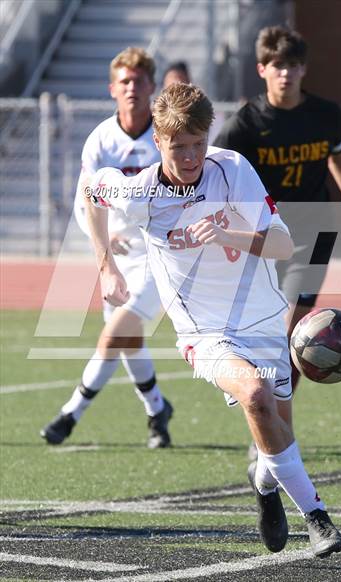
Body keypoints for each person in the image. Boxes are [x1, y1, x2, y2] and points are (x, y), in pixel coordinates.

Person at [83, 82, 341, 558]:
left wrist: (231, 231)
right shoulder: (139, 191)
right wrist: (107, 265)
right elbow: (90, 190)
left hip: (263, 320)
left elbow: (284, 245)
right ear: (157, 142)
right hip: (203, 334)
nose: (190, 156)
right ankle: (319, 519)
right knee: (255, 394)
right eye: (178, 146)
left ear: (210, 136)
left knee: (276, 428)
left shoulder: (233, 170)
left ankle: (265, 484)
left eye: (198, 143)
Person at [214, 26, 341, 395]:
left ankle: (276, 419)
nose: (285, 73)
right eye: (277, 65)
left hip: (314, 233)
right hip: (263, 235)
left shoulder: (325, 114)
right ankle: (265, 415)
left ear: (304, 69)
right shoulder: (244, 125)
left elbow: (340, 159)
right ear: (262, 70)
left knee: (299, 334)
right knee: (268, 333)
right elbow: (215, 174)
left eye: (293, 65)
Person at [40, 47, 173, 449]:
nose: (132, 88)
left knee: (114, 334)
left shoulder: (166, 134)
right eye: (125, 82)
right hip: (116, 257)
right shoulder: (100, 138)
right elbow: (86, 200)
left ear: (152, 86)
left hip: (158, 256)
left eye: (139, 81)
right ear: (112, 88)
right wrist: (105, 253)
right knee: (129, 340)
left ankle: (71, 413)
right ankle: (156, 411)